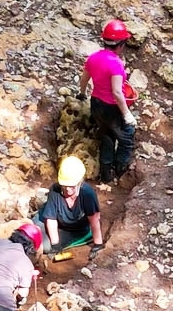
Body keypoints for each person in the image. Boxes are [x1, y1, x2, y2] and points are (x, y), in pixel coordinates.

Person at [81, 19, 137, 184]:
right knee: (126, 137)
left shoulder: (93, 58)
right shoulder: (116, 64)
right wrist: (127, 114)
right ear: (121, 44)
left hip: (96, 103)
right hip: (111, 107)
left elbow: (84, 80)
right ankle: (120, 172)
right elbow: (117, 92)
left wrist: (82, 94)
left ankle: (106, 175)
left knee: (107, 135)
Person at [39, 156, 104, 260]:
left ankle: (86, 237)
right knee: (35, 229)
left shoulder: (87, 193)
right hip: (58, 222)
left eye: (72, 186)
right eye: (65, 186)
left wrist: (98, 245)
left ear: (79, 182)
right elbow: (51, 219)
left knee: (45, 246)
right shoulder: (55, 190)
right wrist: (55, 245)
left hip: (76, 229)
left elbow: (94, 219)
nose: (68, 190)